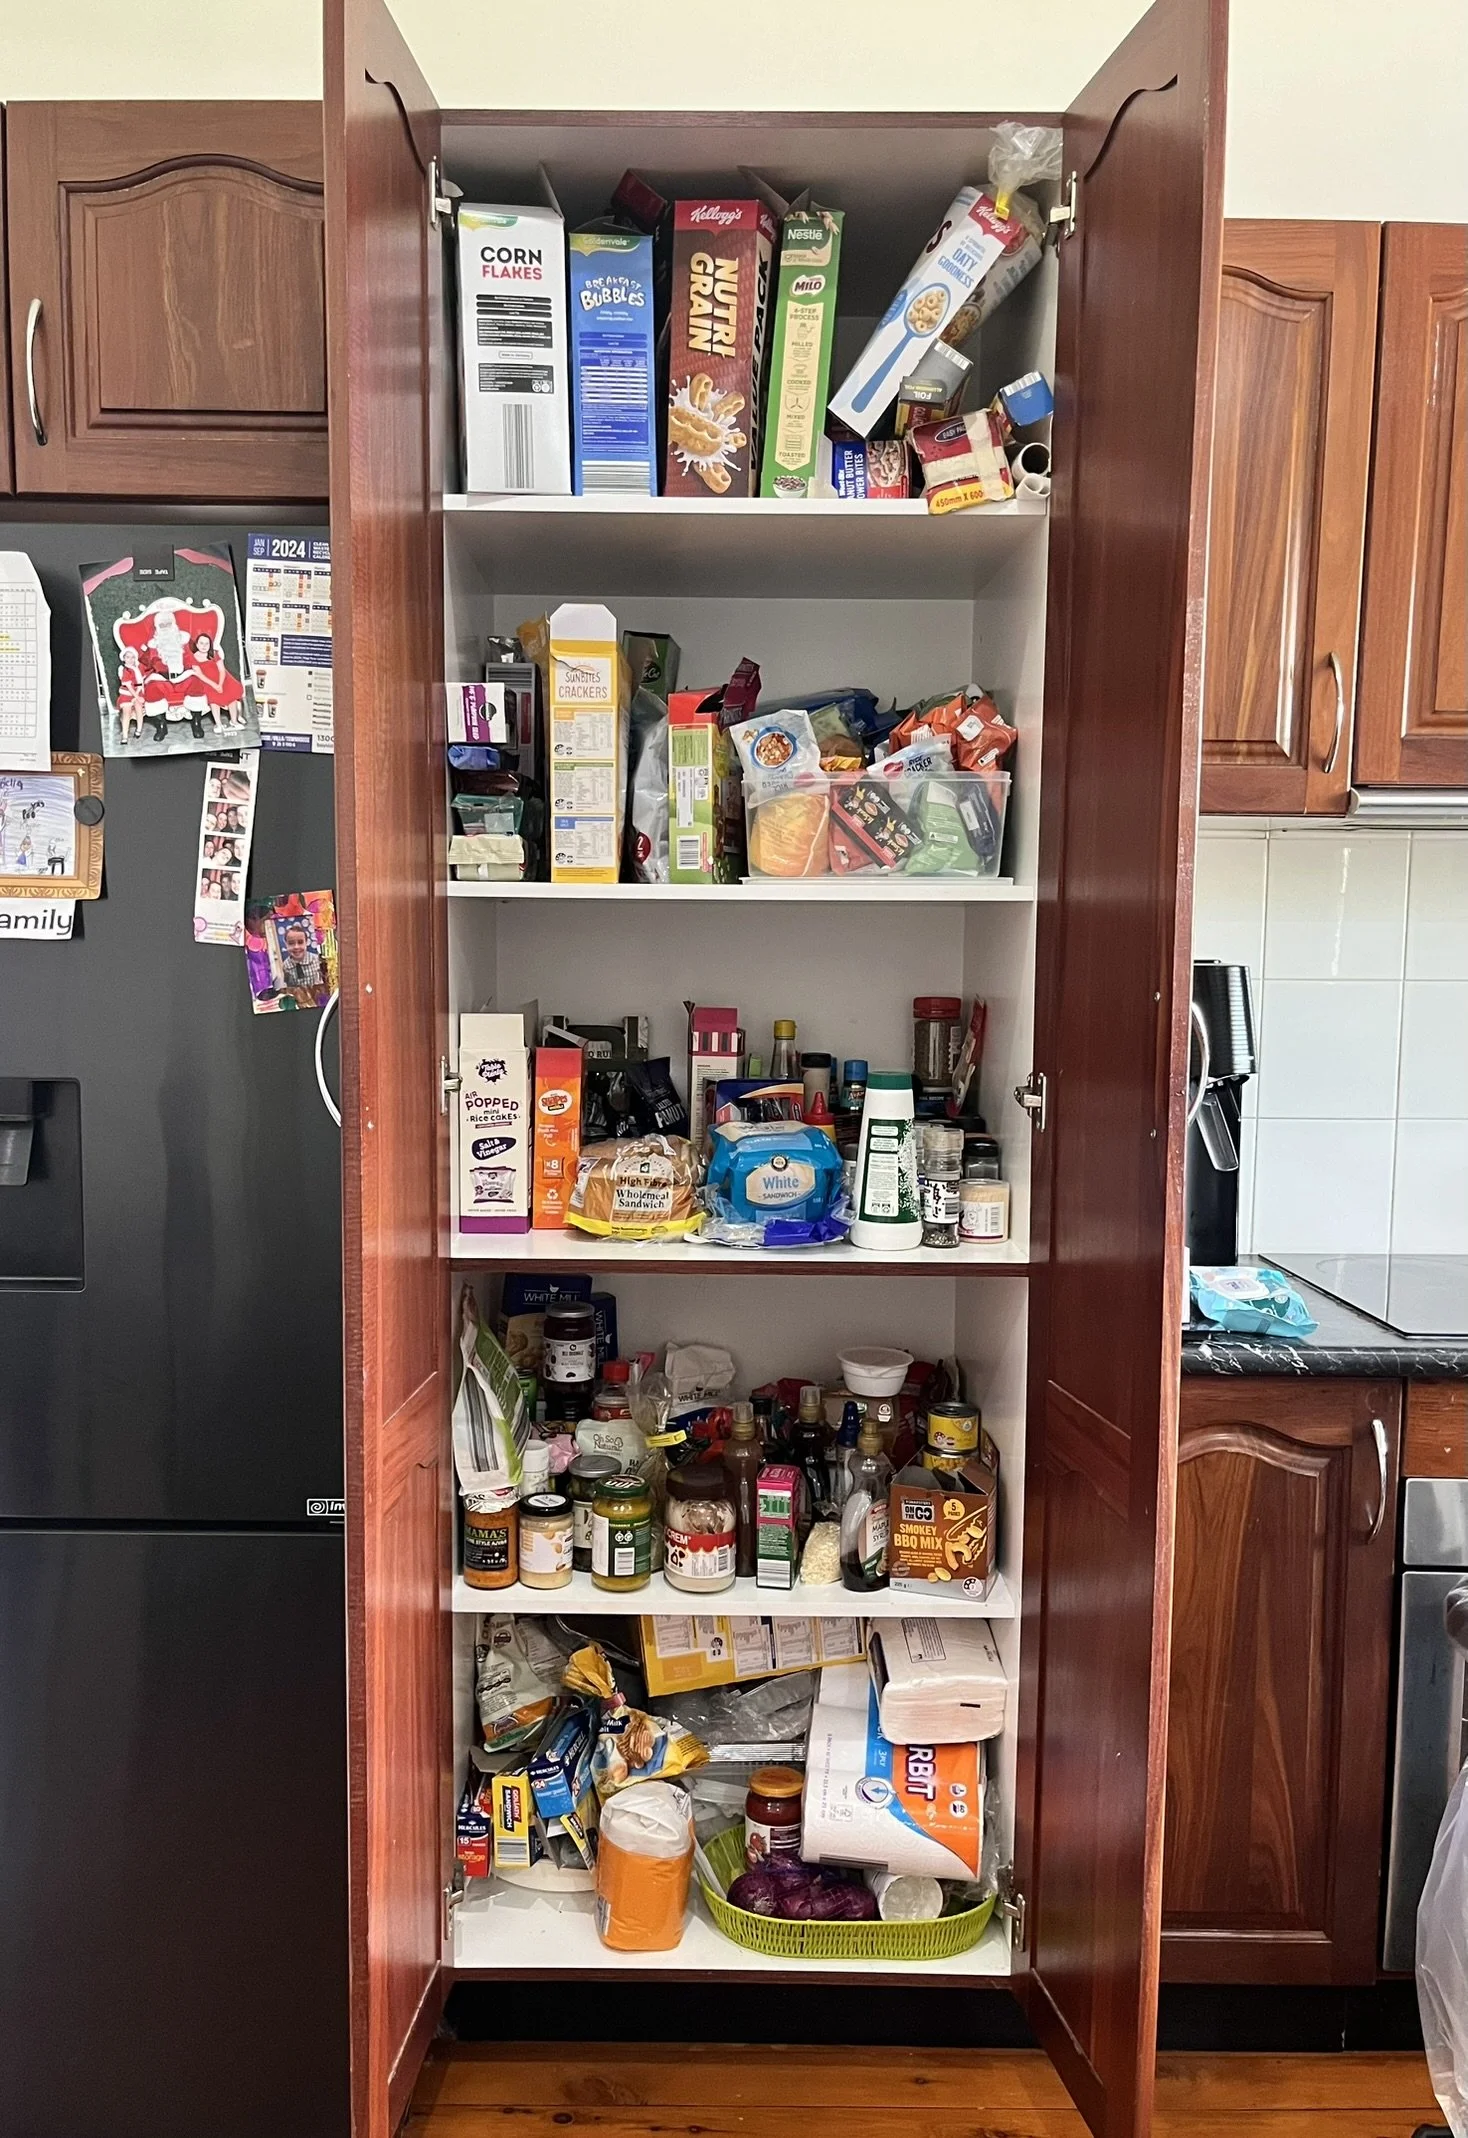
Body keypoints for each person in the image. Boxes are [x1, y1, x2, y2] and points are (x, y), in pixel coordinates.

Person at [279, 919, 323, 992]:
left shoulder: (316, 960)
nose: (296, 947)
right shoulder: (285, 966)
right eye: (291, 943)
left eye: (300, 942)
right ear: (286, 945)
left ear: (306, 943)